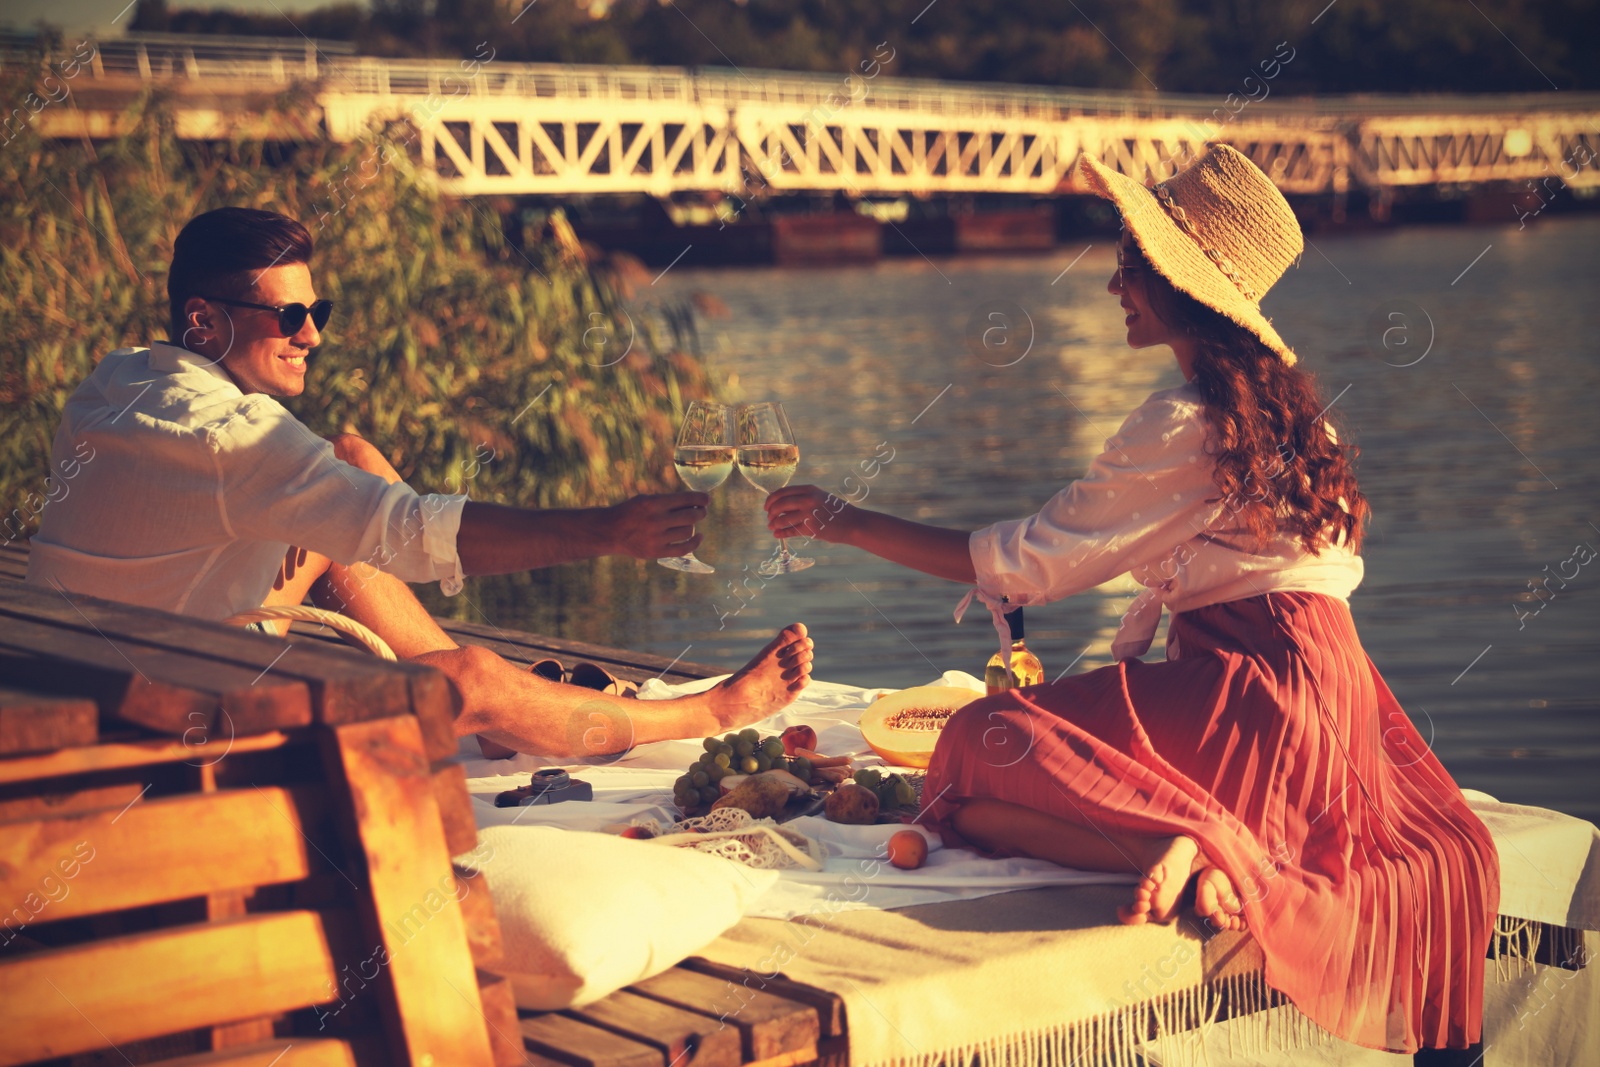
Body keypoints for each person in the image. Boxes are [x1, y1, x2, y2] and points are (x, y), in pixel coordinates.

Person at [765, 145, 1497, 1054]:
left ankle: (1193, 843)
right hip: (1337, 702)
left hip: (1251, 695)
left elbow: (1025, 563)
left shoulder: (1184, 423)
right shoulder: (1305, 423)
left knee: (970, 745)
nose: (1114, 283)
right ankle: (1201, 836)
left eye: (1130, 265)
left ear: (1177, 287)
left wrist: (846, 520)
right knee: (994, 753)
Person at [27, 207, 813, 757]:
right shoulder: (232, 435)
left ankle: (511, 718)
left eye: (318, 308)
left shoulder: (121, 378)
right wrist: (608, 530)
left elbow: (358, 500)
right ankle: (701, 711)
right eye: (288, 316)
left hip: (100, 675)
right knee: (469, 674)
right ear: (203, 319)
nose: (313, 334)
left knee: (350, 460)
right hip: (174, 728)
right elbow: (412, 532)